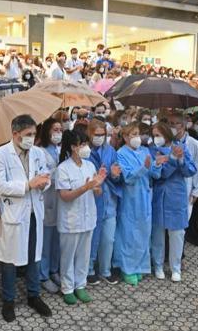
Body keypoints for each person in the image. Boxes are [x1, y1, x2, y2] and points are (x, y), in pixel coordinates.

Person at [0, 115, 53, 323]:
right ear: (15, 134)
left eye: (34, 134)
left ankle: (34, 295)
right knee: (10, 259)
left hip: (35, 211)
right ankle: (9, 300)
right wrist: (28, 185)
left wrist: (45, 183)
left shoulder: (38, 153)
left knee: (34, 255)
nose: (31, 139)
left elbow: (46, 175)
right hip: (14, 214)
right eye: (27, 135)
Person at [56, 130, 106, 304]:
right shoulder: (63, 169)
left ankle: (80, 285)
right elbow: (65, 196)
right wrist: (86, 187)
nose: (86, 148)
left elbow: (97, 192)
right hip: (71, 220)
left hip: (88, 217)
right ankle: (67, 287)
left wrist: (97, 186)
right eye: (82, 144)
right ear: (73, 147)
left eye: (86, 144)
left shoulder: (89, 165)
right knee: (68, 255)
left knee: (84, 255)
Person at [114, 122, 163, 286]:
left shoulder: (145, 150)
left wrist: (157, 164)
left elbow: (154, 175)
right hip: (130, 198)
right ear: (126, 137)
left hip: (145, 197)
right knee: (129, 233)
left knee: (143, 232)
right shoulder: (121, 153)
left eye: (138, 133)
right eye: (133, 134)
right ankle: (127, 268)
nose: (136, 137)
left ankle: (140, 266)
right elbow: (127, 177)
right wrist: (144, 168)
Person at [149, 122, 196, 282]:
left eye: (158, 135)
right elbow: (160, 174)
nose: (156, 138)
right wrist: (173, 160)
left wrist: (180, 159)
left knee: (177, 234)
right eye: (154, 135)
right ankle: (158, 265)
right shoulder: (152, 149)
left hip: (176, 196)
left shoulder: (181, 147)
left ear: (166, 134)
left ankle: (175, 267)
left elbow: (191, 170)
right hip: (159, 196)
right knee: (158, 234)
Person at [86, 119, 123, 285]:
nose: (99, 137)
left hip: (109, 200)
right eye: (96, 134)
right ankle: (89, 270)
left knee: (108, 238)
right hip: (92, 200)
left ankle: (105, 270)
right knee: (92, 237)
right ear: (89, 134)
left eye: (102, 134)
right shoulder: (85, 151)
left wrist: (115, 175)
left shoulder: (110, 151)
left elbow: (117, 176)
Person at [169, 112, 198, 242]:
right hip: (170, 190)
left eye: (176, 123)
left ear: (184, 125)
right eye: (171, 124)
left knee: (181, 226)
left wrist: (196, 192)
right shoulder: (167, 143)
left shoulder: (194, 144)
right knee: (169, 226)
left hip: (187, 189)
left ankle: (180, 255)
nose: (173, 127)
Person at [37, 118, 63, 294]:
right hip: (47, 199)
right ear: (47, 131)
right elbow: (42, 175)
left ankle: (54, 269)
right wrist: (58, 171)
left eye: (60, 129)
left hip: (61, 200)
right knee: (45, 240)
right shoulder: (40, 151)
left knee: (57, 239)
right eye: (55, 129)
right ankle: (43, 275)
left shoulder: (61, 149)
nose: (58, 133)